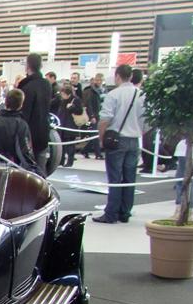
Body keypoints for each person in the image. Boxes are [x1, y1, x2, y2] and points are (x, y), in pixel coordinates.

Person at [94, 63, 145, 223]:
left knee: (115, 178)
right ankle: (125, 212)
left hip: (117, 140)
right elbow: (147, 121)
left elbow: (105, 119)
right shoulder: (141, 94)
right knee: (130, 178)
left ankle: (111, 214)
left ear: (117, 76)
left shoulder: (113, 94)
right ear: (131, 76)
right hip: (134, 140)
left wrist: (101, 139)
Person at [0, 89, 42, 175]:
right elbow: (24, 151)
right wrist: (37, 172)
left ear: (6, 102)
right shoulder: (21, 124)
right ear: (21, 105)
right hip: (13, 169)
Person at [17, 53, 53, 173]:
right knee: (40, 169)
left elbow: (24, 114)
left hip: (28, 135)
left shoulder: (25, 87)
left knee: (25, 170)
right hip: (43, 132)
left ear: (27, 66)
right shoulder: (47, 84)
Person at [55, 86, 83, 168]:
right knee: (62, 144)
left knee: (70, 144)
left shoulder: (76, 100)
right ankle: (61, 161)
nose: (62, 96)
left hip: (70, 125)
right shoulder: (63, 100)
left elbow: (80, 111)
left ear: (69, 94)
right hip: (62, 124)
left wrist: (71, 107)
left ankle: (70, 162)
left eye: (63, 94)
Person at [82, 73, 104, 160]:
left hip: (101, 114)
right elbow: (89, 104)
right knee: (95, 134)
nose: (98, 82)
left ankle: (85, 150)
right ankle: (98, 154)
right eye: (97, 80)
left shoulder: (103, 90)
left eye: (100, 80)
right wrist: (92, 116)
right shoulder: (91, 91)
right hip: (94, 115)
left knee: (95, 135)